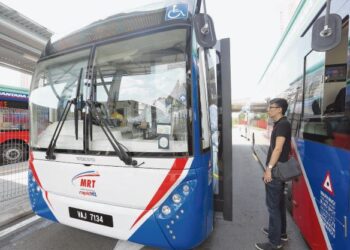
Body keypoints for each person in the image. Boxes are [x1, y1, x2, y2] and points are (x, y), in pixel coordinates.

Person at [255, 98, 291, 250]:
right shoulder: (281, 124)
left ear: (280, 109)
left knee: (273, 207)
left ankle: (274, 242)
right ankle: (281, 233)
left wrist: (269, 168)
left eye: (271, 107)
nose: (268, 110)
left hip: (275, 171)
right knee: (279, 203)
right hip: (279, 170)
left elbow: (278, 148)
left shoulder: (282, 125)